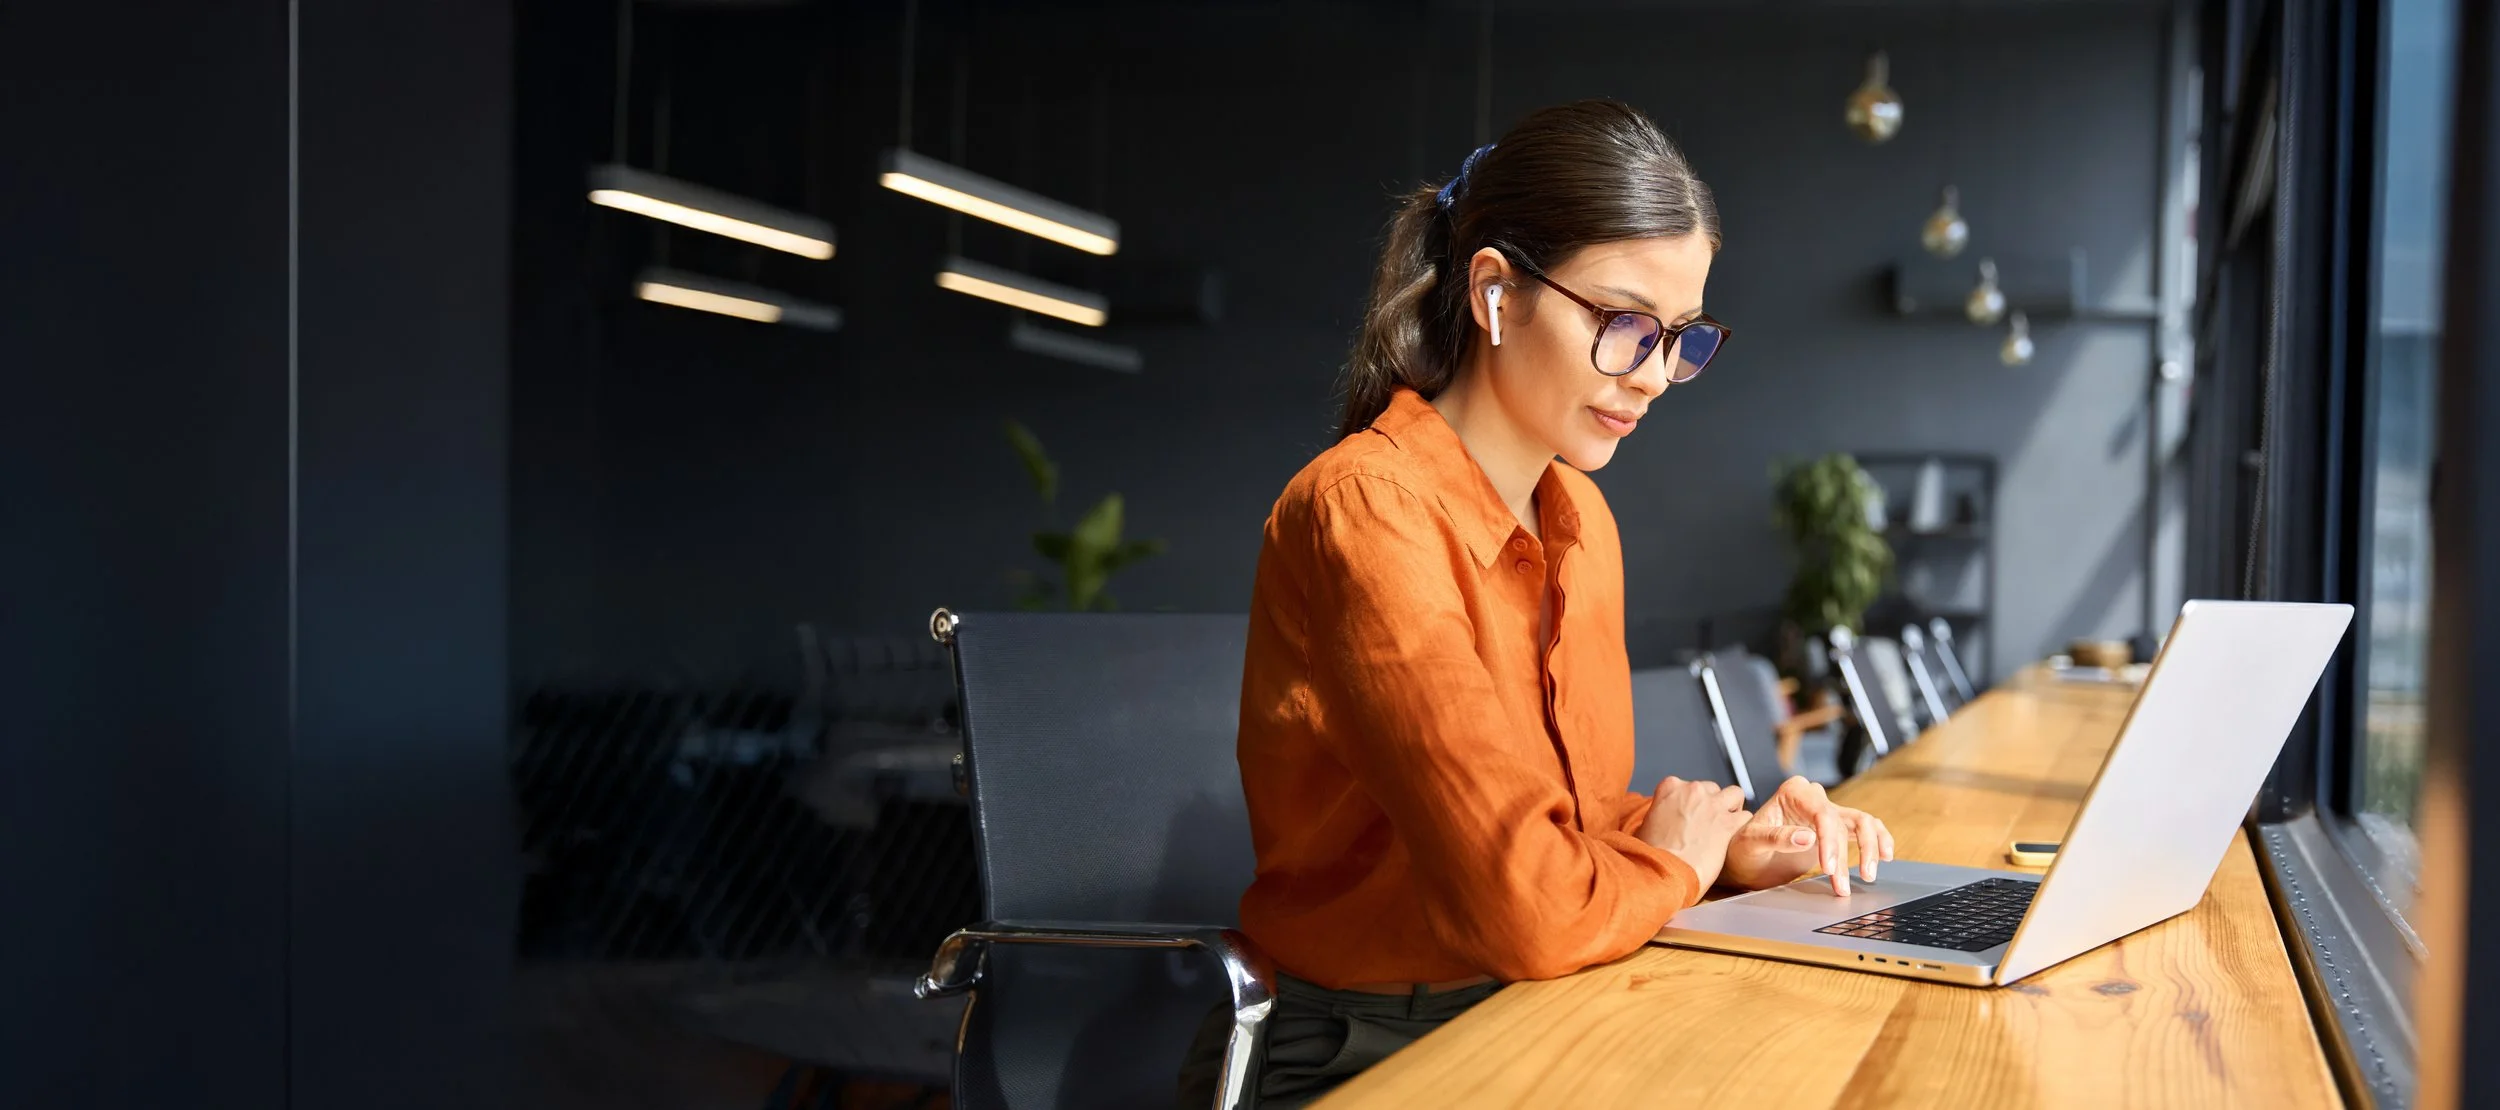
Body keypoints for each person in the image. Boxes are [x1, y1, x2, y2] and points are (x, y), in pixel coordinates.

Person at [1176, 99, 1895, 1109]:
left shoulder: (1580, 522)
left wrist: (1724, 847)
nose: (1650, 377)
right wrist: (1678, 870)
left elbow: (1569, 825)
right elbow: (1525, 905)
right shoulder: (1367, 510)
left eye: (1678, 338)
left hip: (1537, 1006)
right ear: (1495, 293)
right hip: (1366, 1052)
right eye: (1621, 323)